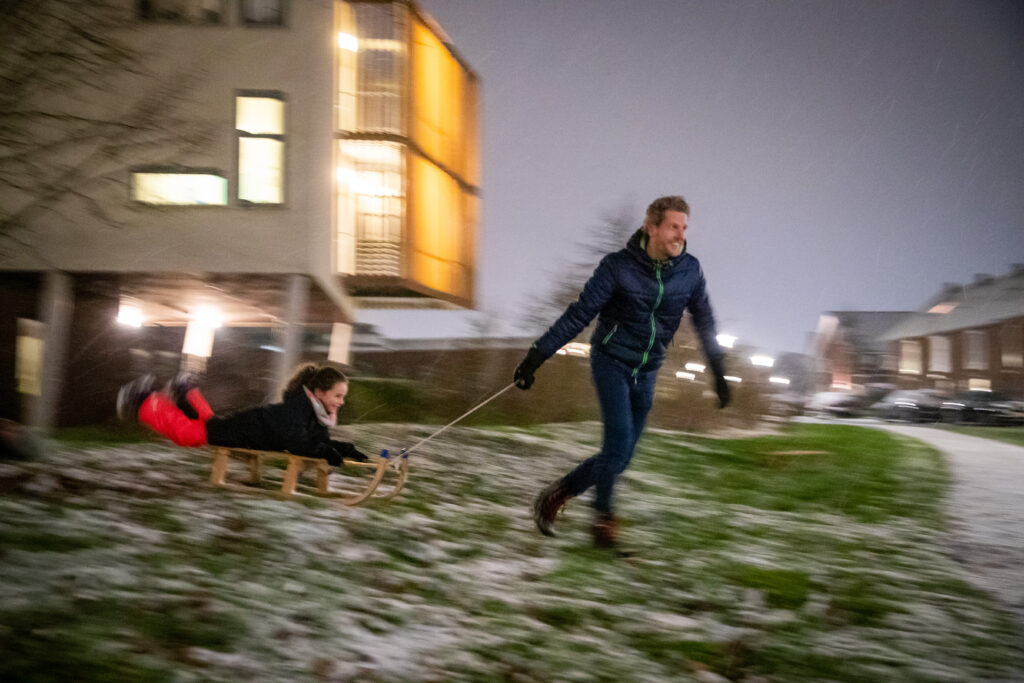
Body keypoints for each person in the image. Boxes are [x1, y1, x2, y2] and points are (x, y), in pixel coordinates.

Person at [514, 195, 730, 551]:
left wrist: (718, 371)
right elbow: (579, 314)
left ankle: (564, 498)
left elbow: (705, 321)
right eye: (673, 227)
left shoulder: (689, 271)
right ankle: (595, 517)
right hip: (611, 362)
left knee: (621, 456)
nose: (681, 235)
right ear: (651, 227)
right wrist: (538, 353)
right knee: (615, 451)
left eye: (684, 228)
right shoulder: (617, 267)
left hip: (648, 368)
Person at [116, 363, 368, 465]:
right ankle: (143, 398)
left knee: (209, 424)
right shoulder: (298, 410)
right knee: (187, 435)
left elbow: (317, 441)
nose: (341, 402)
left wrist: (347, 449)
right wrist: (328, 454)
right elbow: (298, 444)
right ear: (319, 393)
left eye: (343, 396)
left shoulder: (315, 412)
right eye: (338, 396)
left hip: (246, 430)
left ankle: (186, 389)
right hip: (243, 432)